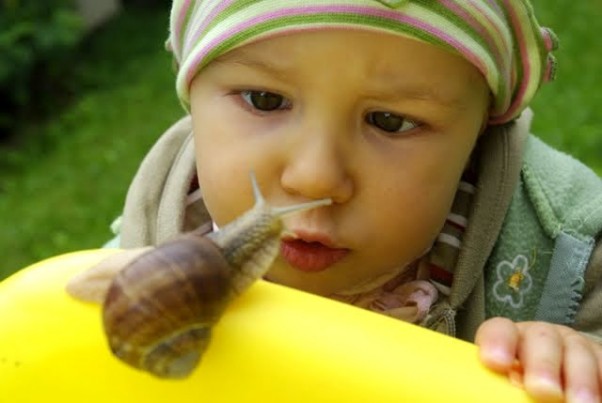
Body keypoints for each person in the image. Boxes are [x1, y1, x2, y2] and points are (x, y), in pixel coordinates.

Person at [90, 1, 602, 401]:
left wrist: (579, 362)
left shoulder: (565, 254)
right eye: (266, 100)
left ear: (478, 134)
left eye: (390, 121)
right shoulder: (142, 251)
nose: (315, 177)